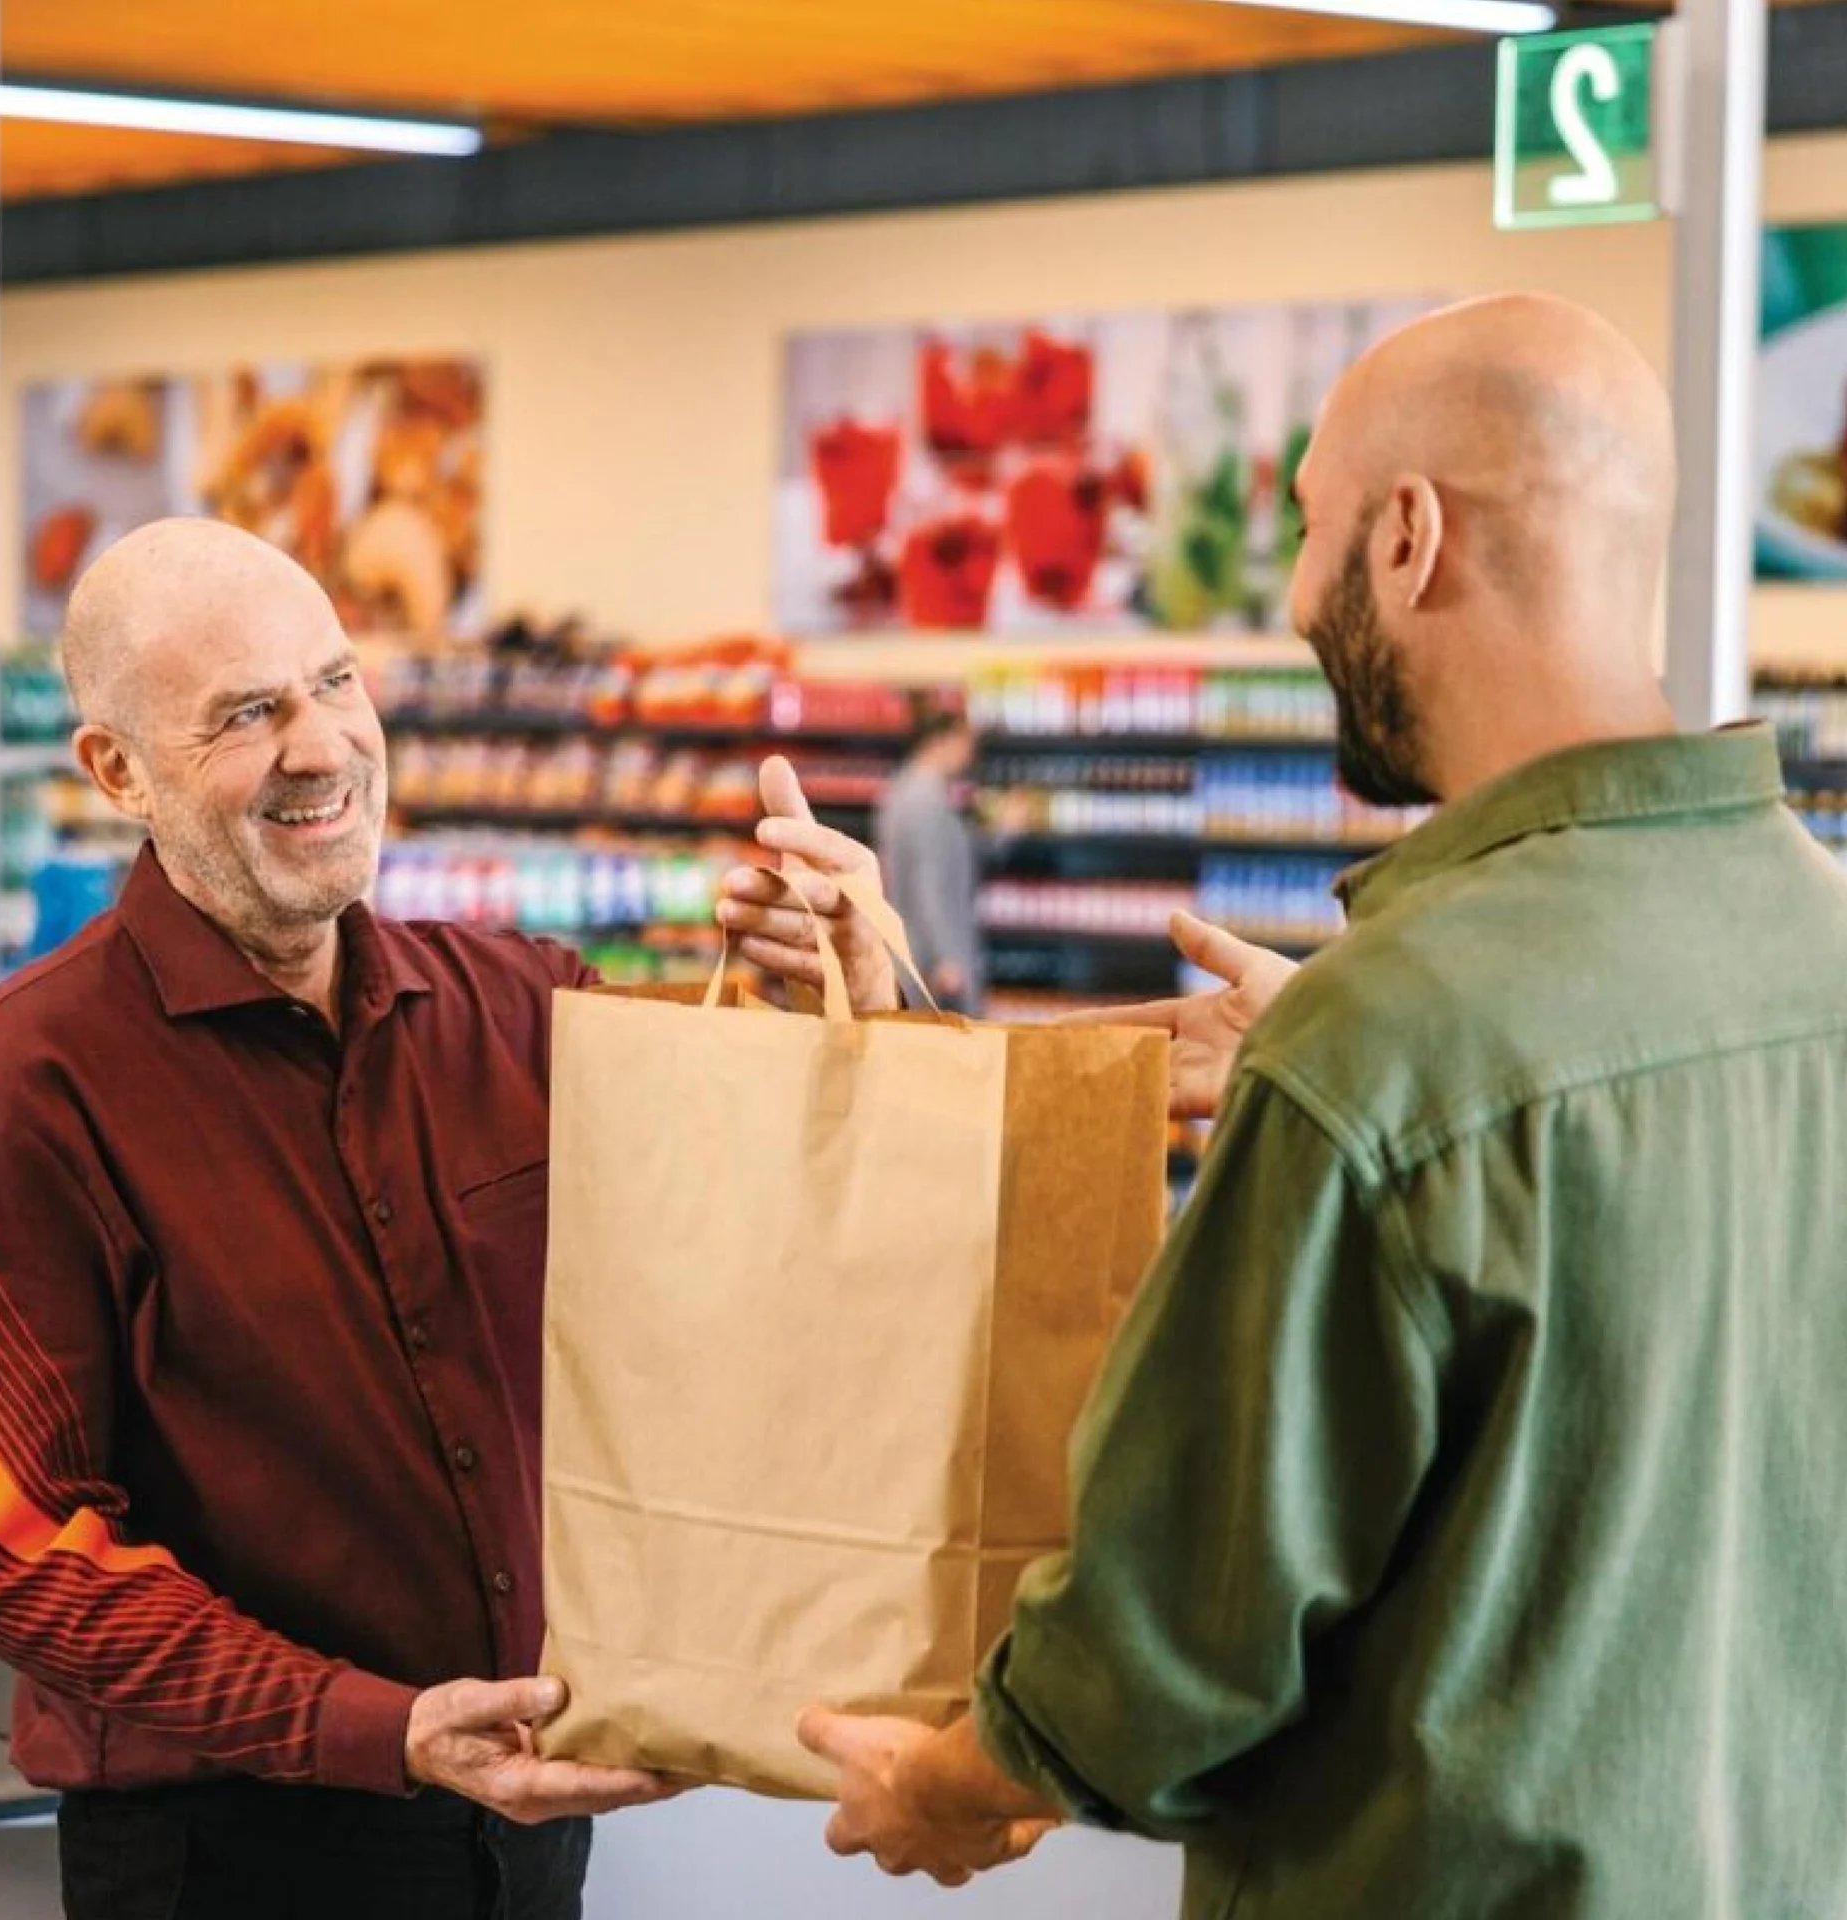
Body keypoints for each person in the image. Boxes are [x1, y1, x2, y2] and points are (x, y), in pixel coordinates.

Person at [756, 294, 1847, 1915]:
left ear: (1407, 538)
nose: (1290, 592)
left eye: (1315, 527)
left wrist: (958, 1780)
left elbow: (1177, 1634)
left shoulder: (1388, 1045)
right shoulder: (1813, 937)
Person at [0, 518, 781, 1919]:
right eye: (247, 714)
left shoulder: (520, 1005)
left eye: (333, 682)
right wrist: (375, 1726)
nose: (319, 746)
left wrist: (860, 984)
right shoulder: (25, 1089)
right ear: (116, 771)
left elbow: (813, 1164)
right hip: (228, 1856)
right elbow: (33, 1558)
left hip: (523, 1831)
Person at [870, 702, 986, 1013]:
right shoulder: (926, 800)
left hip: (906, 943)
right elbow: (929, 883)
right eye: (966, 742)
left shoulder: (900, 790)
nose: (970, 753)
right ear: (940, 741)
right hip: (926, 952)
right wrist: (945, 957)